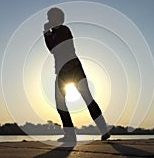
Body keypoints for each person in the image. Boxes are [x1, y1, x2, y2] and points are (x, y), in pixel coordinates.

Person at [43, 7, 110, 142]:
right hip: (62, 70)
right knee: (60, 103)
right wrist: (46, 34)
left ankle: (104, 130)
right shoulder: (53, 33)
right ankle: (70, 134)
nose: (50, 19)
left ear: (60, 18)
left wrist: (47, 34)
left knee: (87, 99)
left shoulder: (64, 30)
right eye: (49, 17)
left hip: (73, 68)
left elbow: (55, 48)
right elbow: (51, 49)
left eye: (53, 16)